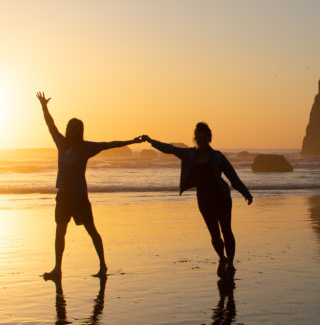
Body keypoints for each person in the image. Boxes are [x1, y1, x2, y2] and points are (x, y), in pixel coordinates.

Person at [37, 91, 141, 281]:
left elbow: (110, 144)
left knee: (91, 230)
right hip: (63, 196)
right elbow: (50, 125)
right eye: (69, 127)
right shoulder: (61, 143)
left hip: (79, 197)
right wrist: (44, 107)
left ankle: (103, 265)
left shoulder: (86, 148)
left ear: (80, 130)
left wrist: (132, 141)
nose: (71, 130)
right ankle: (57, 269)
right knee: (60, 231)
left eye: (74, 128)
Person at [142, 123, 253, 278]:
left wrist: (245, 192)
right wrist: (151, 141)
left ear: (209, 138)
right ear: (195, 139)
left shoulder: (218, 157)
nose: (201, 140)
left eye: (204, 137)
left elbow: (232, 177)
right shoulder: (189, 155)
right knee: (214, 235)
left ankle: (231, 263)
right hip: (204, 200)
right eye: (198, 138)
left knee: (226, 231)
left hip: (222, 198)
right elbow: (170, 149)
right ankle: (222, 259)